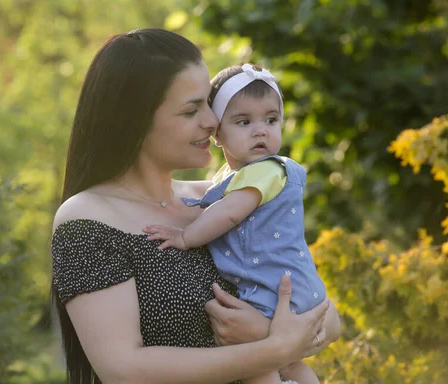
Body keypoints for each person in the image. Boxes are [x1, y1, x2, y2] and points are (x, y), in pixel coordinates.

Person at [50, 28, 339, 384]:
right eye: (191, 110)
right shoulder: (88, 217)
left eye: (209, 103)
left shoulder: (232, 196)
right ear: (135, 120)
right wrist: (273, 349)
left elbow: (327, 316)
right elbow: (124, 369)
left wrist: (263, 331)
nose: (212, 121)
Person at [143, 63, 341, 384]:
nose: (261, 130)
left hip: (275, 290)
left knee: (253, 361)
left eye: (271, 120)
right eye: (244, 121)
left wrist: (184, 238)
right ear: (217, 133)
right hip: (284, 284)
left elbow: (228, 213)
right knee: (289, 364)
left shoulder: (267, 170)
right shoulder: (231, 178)